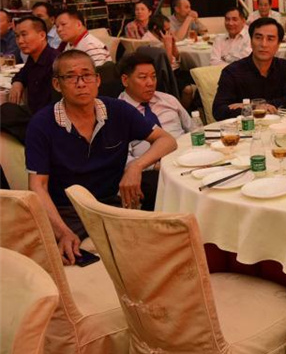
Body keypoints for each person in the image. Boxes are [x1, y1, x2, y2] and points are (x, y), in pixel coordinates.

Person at [24, 50, 177, 264]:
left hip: (111, 203)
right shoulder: (42, 124)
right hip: (68, 210)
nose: (81, 83)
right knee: (57, 259)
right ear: (57, 84)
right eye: (71, 77)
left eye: (87, 75)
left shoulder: (117, 110)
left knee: (157, 248)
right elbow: (37, 185)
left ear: (97, 80)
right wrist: (62, 231)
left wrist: (136, 166)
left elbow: (167, 140)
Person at [118, 53, 190, 210]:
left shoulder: (168, 100)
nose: (150, 83)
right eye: (143, 77)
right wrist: (154, 166)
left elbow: (193, 129)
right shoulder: (118, 112)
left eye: (153, 76)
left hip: (187, 160)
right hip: (152, 171)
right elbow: (122, 159)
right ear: (125, 80)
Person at [212, 18, 286, 121]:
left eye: (270, 39)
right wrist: (254, 109)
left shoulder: (283, 66)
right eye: (258, 38)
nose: (263, 44)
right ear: (251, 41)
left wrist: (252, 106)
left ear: (278, 45)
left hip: (278, 126)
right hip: (245, 128)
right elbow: (219, 111)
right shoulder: (232, 72)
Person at [8, 16, 60, 115]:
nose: (20, 41)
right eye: (17, 36)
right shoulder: (33, 57)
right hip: (34, 112)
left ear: (42, 35)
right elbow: (22, 73)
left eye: (24, 35)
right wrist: (17, 82)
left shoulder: (55, 62)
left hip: (46, 117)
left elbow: (55, 105)